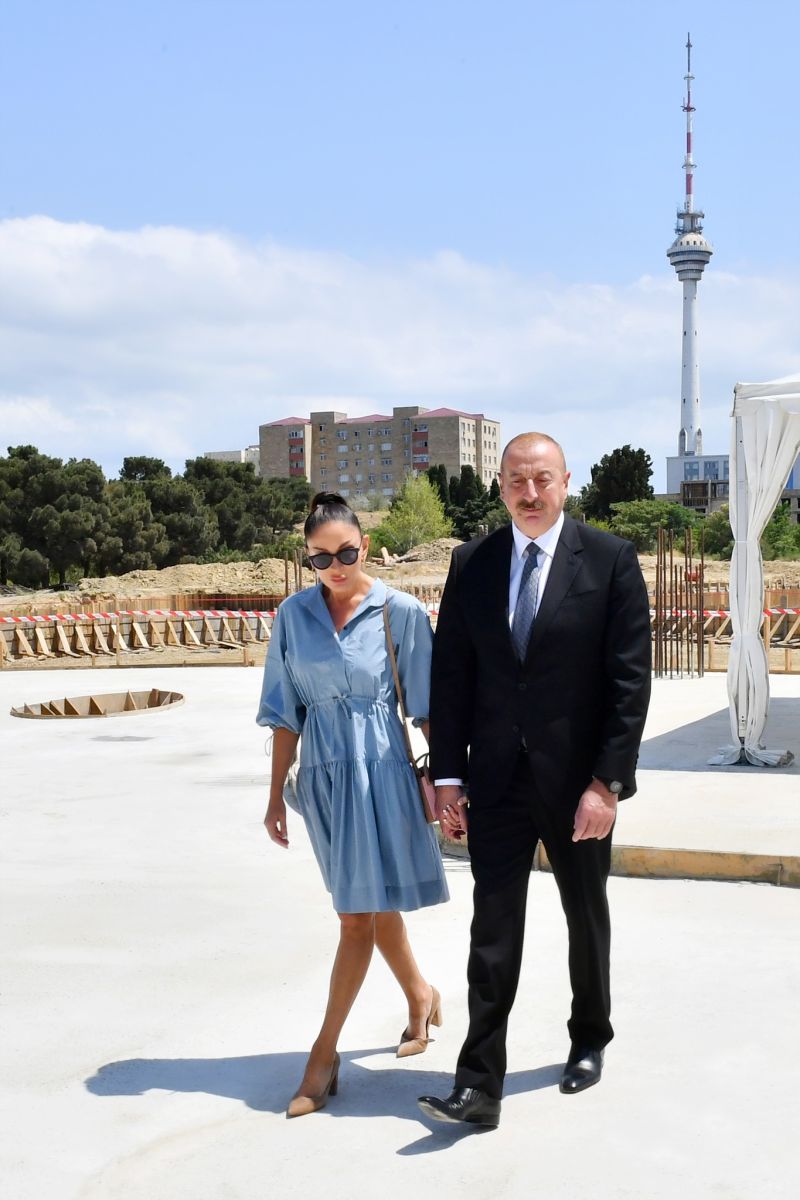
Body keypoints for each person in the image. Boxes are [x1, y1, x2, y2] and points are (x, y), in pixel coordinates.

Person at [417, 433, 652, 1128]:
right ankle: (478, 1085)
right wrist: (449, 776)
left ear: (565, 482)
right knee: (492, 929)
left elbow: (629, 682)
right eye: (516, 480)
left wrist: (607, 784)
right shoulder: (473, 562)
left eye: (541, 479)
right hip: (494, 781)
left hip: (578, 784)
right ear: (500, 486)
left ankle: (590, 1037)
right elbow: (452, 675)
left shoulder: (609, 559)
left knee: (585, 915)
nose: (529, 493)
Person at [258, 492, 448, 1118]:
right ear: (306, 557)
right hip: (325, 780)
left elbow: (427, 709)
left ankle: (323, 1056)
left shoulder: (400, 612)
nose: (335, 567)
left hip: (383, 774)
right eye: (320, 558)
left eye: (346, 553)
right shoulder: (292, 617)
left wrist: (452, 786)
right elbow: (285, 712)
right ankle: (420, 995)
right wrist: (275, 795)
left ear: (365, 546)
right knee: (368, 902)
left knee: (356, 915)